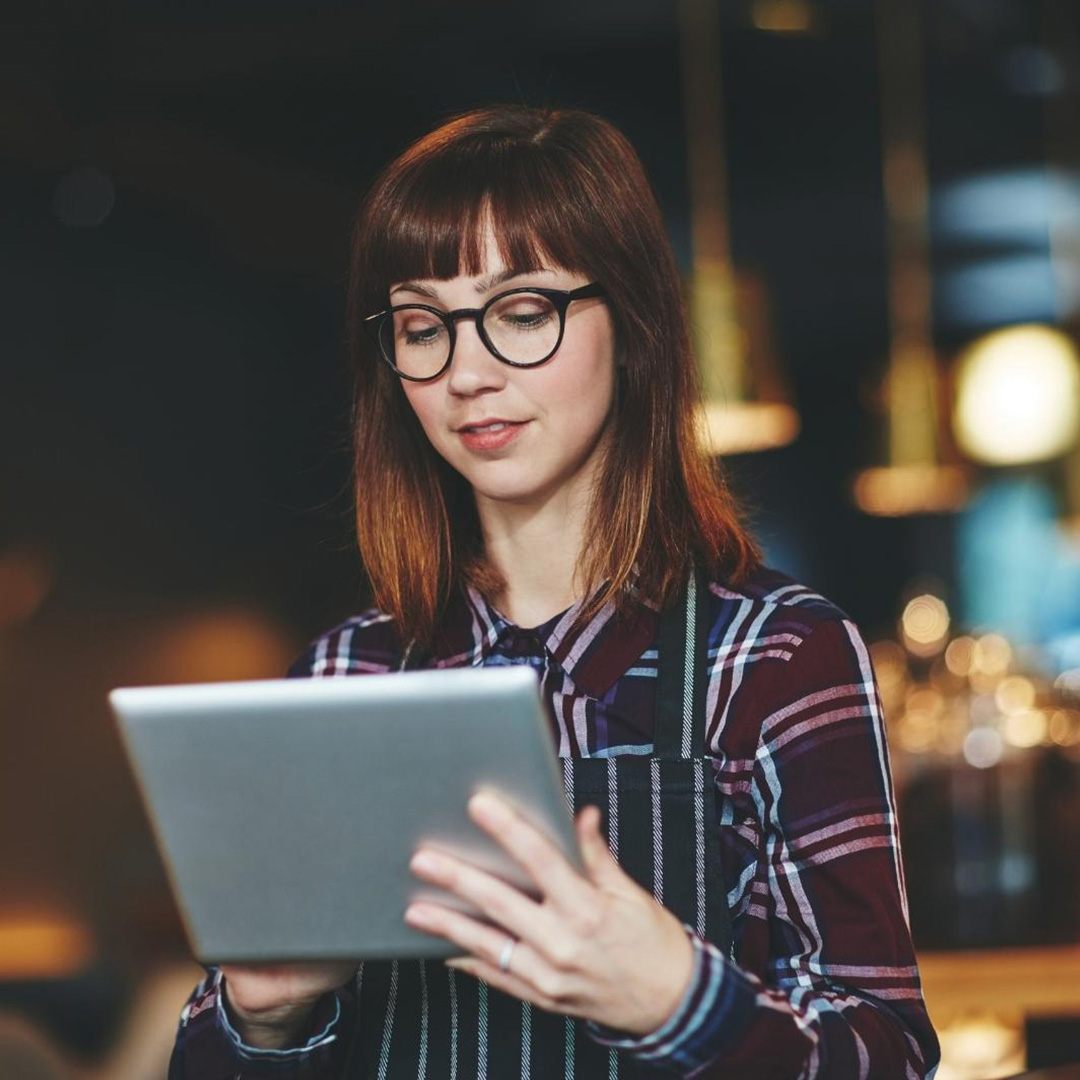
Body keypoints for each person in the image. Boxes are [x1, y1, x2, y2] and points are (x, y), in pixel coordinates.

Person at [169, 105, 940, 1079]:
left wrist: (677, 1001)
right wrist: (263, 1018)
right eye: (422, 326)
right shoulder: (344, 673)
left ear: (633, 321)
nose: (467, 372)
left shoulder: (776, 657)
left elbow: (890, 1056)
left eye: (523, 312)